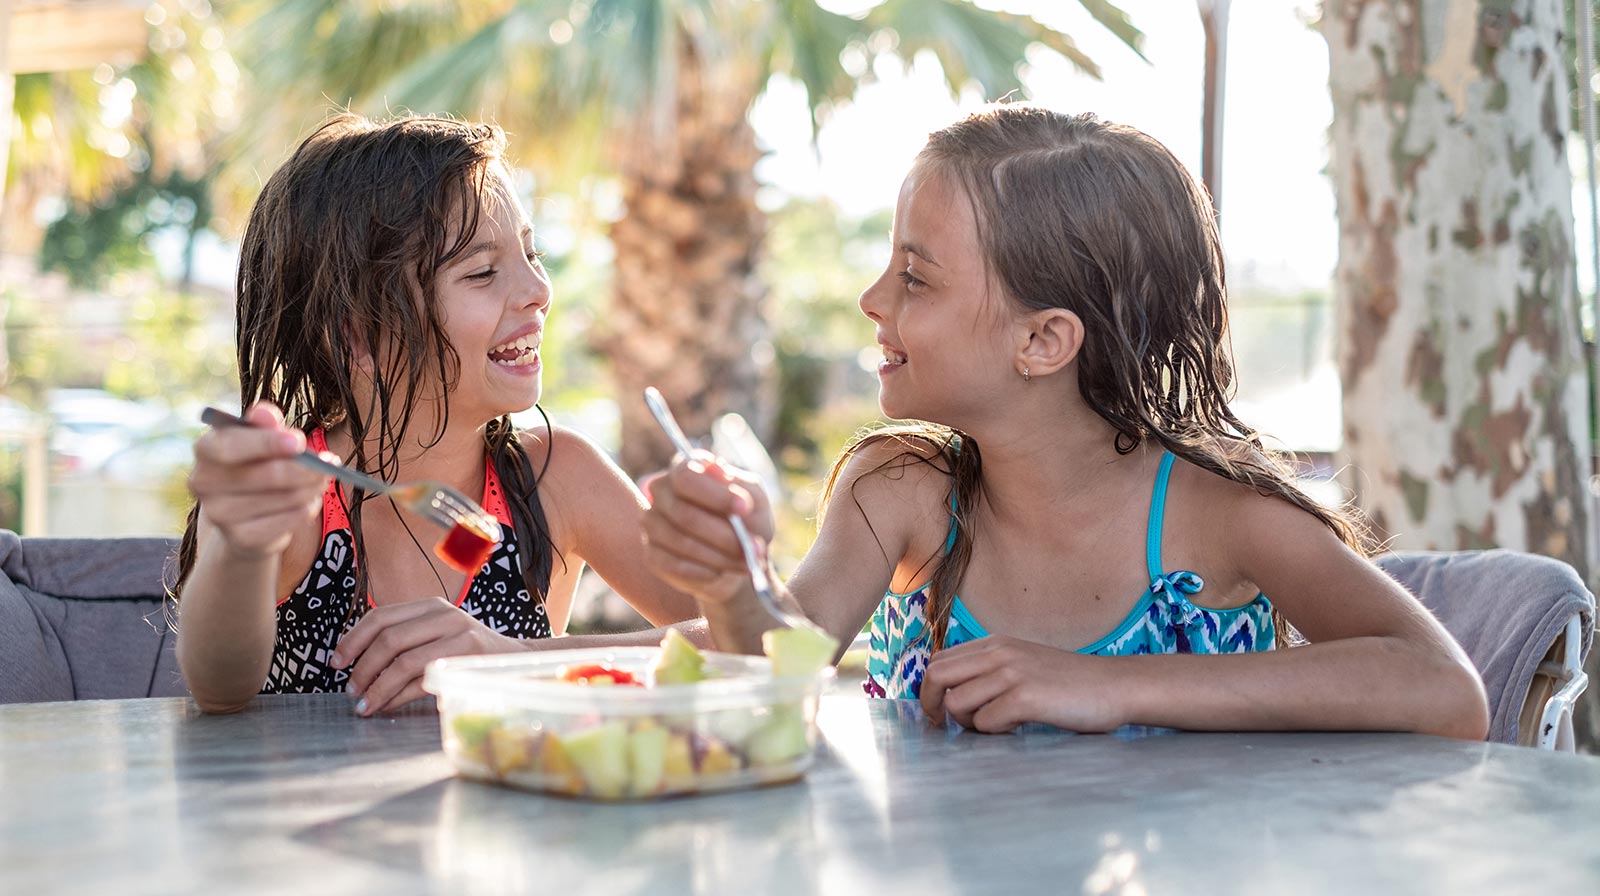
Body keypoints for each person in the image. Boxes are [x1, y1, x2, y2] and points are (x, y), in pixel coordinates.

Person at [640, 105, 1490, 739]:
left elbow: (1444, 689)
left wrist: (1106, 684)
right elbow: (774, 683)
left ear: (1043, 341)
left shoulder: (1215, 515)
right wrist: (734, 592)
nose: (872, 302)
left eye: (916, 279)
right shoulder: (898, 490)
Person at [175, 114, 701, 716]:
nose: (538, 290)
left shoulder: (553, 480)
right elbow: (217, 683)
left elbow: (749, 643)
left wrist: (521, 664)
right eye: (482, 272)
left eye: (532, 254)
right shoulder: (294, 498)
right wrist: (241, 544)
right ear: (359, 339)